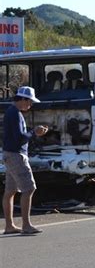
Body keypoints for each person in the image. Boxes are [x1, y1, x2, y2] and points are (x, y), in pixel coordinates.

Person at [2, 86, 48, 234]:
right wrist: (34, 132)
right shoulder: (15, 114)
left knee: (10, 191)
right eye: (29, 101)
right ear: (22, 99)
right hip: (16, 155)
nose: (30, 105)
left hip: (9, 154)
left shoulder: (12, 112)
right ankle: (26, 225)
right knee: (29, 188)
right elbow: (20, 138)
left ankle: (9, 226)